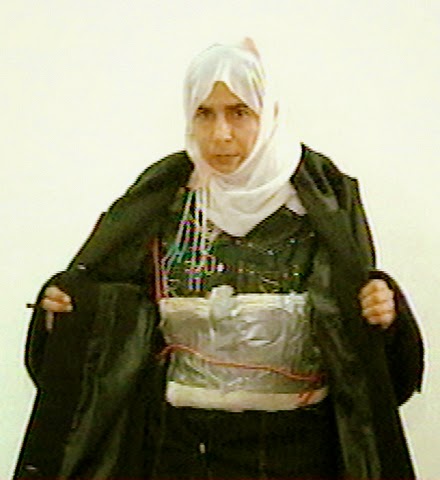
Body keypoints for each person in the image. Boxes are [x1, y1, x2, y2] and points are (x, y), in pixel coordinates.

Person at [15, 39, 423, 479]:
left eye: (239, 112)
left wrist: (384, 315)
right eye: (205, 114)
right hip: (180, 452)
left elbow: (359, 347)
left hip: (298, 454)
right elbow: (112, 309)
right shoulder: (165, 196)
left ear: (268, 112)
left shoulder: (323, 198)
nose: (220, 134)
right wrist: (69, 310)